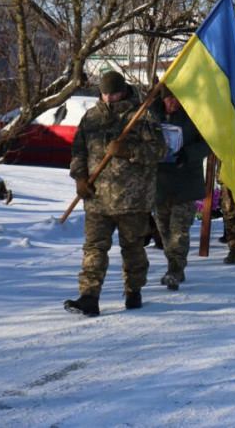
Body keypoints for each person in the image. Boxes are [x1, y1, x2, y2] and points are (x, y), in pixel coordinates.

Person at [64, 71, 166, 316]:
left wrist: (128, 150)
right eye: (105, 93)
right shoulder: (92, 117)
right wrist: (79, 177)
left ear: (124, 91)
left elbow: (159, 151)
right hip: (97, 197)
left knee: (132, 248)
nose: (109, 98)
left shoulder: (141, 116)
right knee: (94, 248)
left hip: (132, 198)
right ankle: (89, 296)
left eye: (114, 93)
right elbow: (78, 152)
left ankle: (134, 291)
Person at [151, 85, 211, 290]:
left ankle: (175, 269)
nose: (173, 102)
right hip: (160, 184)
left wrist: (188, 154)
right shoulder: (151, 115)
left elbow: (208, 143)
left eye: (177, 98)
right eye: (169, 98)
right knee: (165, 231)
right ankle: (173, 265)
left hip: (186, 183)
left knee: (179, 231)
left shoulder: (194, 117)